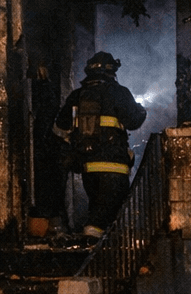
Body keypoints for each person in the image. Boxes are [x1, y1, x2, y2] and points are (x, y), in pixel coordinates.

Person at [54, 51, 147, 240]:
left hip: (88, 169)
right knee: (104, 216)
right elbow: (134, 121)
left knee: (99, 206)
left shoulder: (76, 96)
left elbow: (59, 128)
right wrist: (141, 110)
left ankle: (100, 246)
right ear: (113, 71)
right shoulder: (119, 92)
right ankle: (93, 248)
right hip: (115, 168)